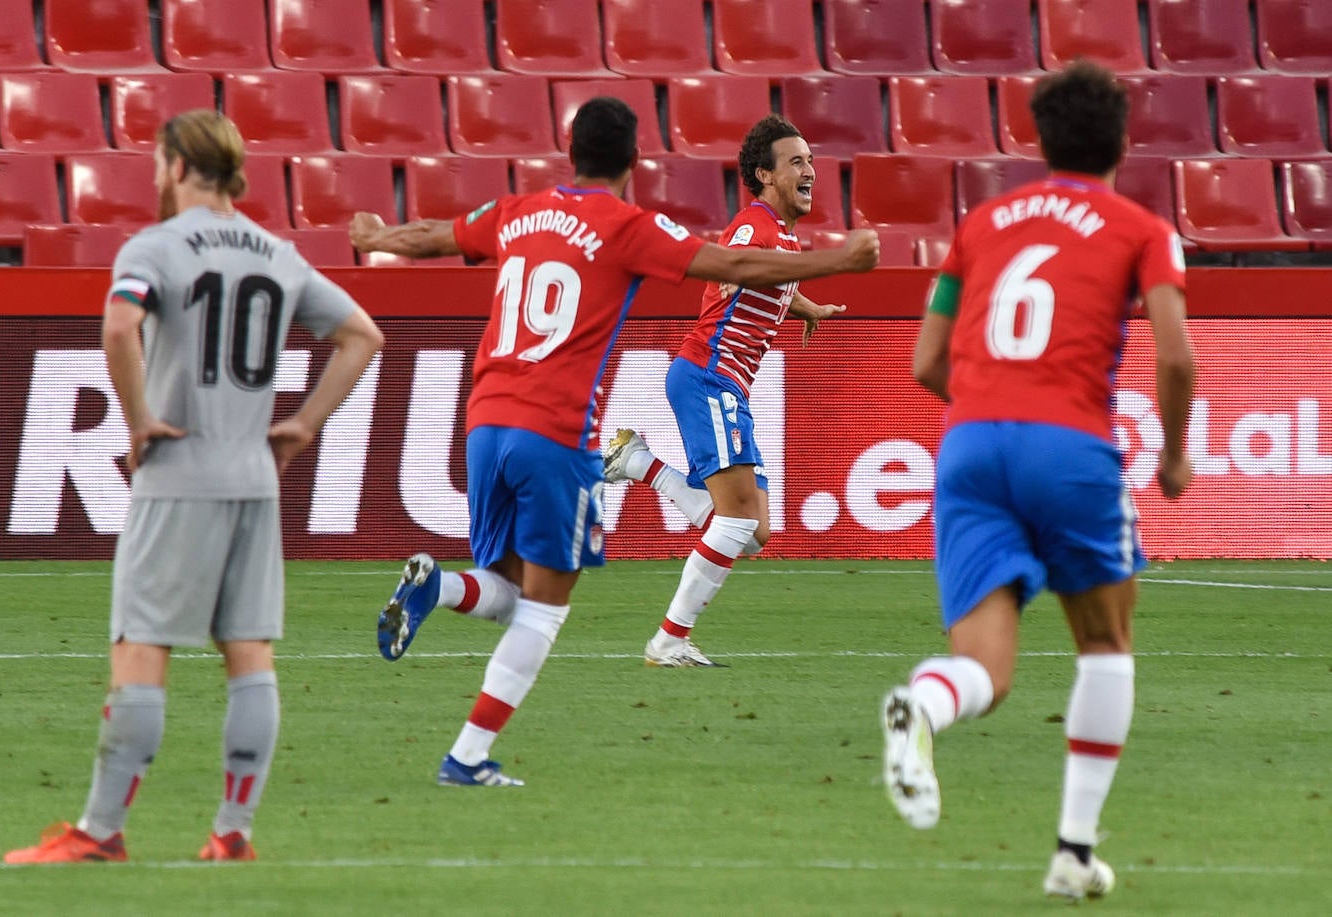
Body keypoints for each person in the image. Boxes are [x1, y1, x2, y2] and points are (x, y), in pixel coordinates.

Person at [349, 97, 879, 787]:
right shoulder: (628, 225)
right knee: (545, 606)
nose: (809, 170)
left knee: (511, 590)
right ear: (635, 160)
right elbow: (735, 266)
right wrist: (843, 258)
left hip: (483, 423)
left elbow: (431, 237)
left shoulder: (516, 210)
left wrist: (376, 232)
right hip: (556, 429)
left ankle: (437, 588)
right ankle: (469, 755)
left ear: (570, 153)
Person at [4, 110, 384, 864]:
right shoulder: (279, 253)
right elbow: (363, 335)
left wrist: (140, 419)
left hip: (179, 478)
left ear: (176, 165)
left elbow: (119, 329)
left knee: (141, 649)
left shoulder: (155, 247)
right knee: (249, 653)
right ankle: (232, 833)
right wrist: (302, 425)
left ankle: (101, 829)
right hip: (254, 477)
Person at [877, 60, 1195, 901]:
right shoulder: (1141, 229)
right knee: (1105, 643)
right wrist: (1172, 453)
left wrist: (988, 407)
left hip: (970, 445)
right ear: (1123, 142)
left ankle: (924, 706)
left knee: (985, 664)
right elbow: (1175, 354)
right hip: (1070, 446)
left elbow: (926, 363)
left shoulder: (983, 223)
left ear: (1038, 141)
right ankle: (1074, 848)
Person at [601, 114, 848, 667]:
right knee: (734, 521)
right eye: (796, 162)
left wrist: (806, 307)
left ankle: (638, 462)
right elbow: (734, 266)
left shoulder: (781, 237)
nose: (810, 170)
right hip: (709, 376)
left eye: (811, 160)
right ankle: (668, 641)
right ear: (764, 175)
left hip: (726, 386)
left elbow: (769, 278)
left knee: (753, 530)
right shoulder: (753, 227)